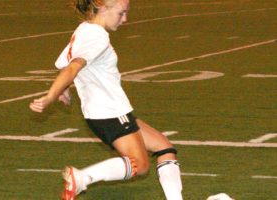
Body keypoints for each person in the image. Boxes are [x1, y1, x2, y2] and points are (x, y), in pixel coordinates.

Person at [29, 0, 183, 199]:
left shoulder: (84, 29)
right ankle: (83, 177)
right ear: (103, 7)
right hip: (110, 112)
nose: (125, 19)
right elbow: (73, 67)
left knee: (164, 147)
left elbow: (63, 62)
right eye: (121, 13)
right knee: (141, 165)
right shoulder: (97, 37)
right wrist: (51, 96)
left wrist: (64, 89)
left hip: (108, 112)